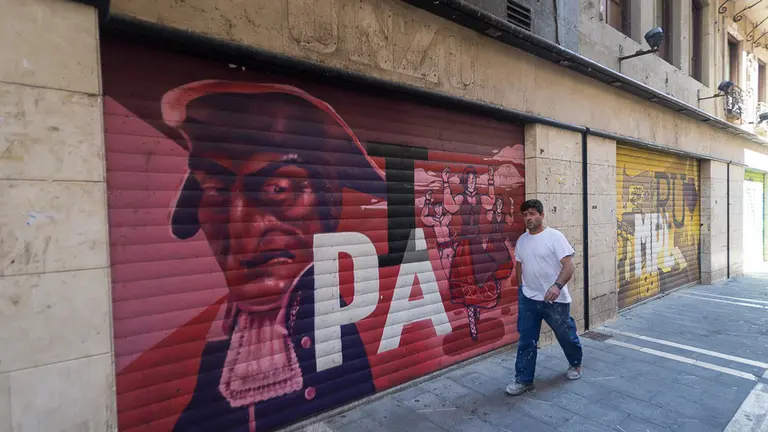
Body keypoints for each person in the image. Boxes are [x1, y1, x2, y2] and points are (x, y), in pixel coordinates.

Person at [160, 79, 383, 431]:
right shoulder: (227, 332)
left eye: (277, 189)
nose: (241, 232)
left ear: (328, 207)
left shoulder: (321, 320)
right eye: (215, 189)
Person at [505, 199, 583, 396]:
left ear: (541, 215)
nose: (528, 218)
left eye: (532, 213)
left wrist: (557, 286)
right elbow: (519, 264)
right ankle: (523, 380)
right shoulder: (522, 240)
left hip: (554, 300)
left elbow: (569, 265)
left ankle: (575, 364)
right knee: (526, 340)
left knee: (565, 335)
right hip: (529, 298)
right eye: (525, 215)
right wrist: (521, 288)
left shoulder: (554, 237)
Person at [420, 190, 454, 279]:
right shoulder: (432, 220)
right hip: (442, 249)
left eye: (440, 207)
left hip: (450, 247)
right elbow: (423, 217)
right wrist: (427, 201)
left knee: (454, 270)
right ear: (434, 208)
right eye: (436, 207)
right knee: (446, 272)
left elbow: (452, 209)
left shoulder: (447, 217)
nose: (438, 209)